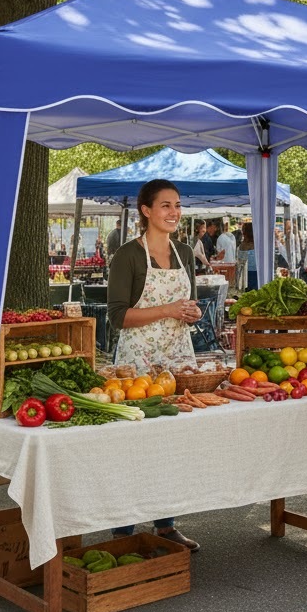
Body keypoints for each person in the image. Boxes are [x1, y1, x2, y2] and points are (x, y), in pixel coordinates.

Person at [106, 178, 202, 551]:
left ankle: (166, 524)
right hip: (137, 363)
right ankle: (123, 530)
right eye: (165, 205)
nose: (174, 212)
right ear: (146, 210)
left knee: (171, 445)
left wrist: (191, 312)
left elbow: (187, 304)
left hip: (179, 357)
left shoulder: (185, 254)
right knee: (133, 448)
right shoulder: (128, 256)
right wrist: (167, 309)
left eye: (177, 205)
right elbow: (117, 316)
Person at [237, 222, 257, 290]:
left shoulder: (242, 245)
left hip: (245, 274)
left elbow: (240, 261)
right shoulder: (258, 245)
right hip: (256, 273)